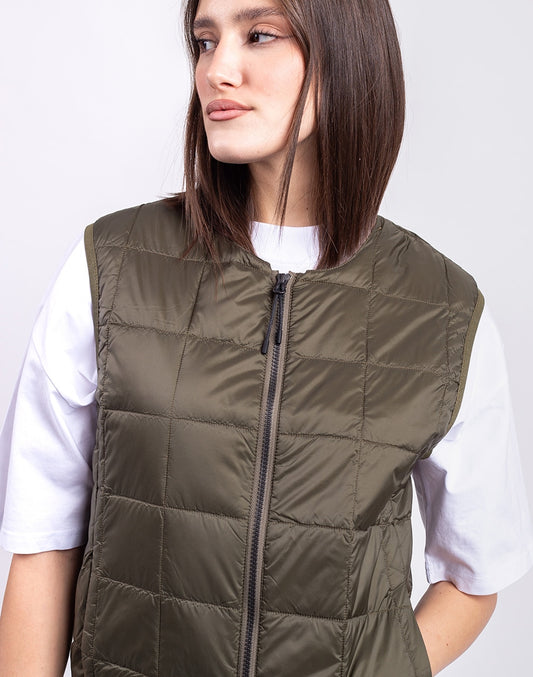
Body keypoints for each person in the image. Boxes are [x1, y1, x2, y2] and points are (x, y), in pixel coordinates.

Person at [0, 0, 532, 675]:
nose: (217, 70)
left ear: (346, 52)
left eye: (258, 35)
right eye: (204, 40)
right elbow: (43, 545)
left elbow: (474, 572)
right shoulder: (111, 267)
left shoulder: (444, 311)